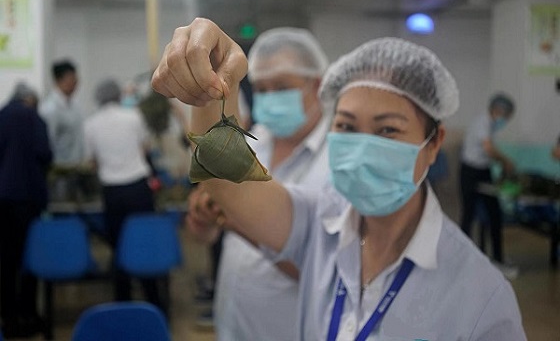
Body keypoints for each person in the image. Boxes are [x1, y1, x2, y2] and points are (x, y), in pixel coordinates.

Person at [152, 18, 526, 340]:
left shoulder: (480, 297)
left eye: (387, 131)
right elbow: (226, 177)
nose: (361, 148)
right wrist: (210, 85)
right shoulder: (320, 226)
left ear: (433, 144)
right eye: (346, 126)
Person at [186, 27, 332, 340]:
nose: (269, 98)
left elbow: (325, 270)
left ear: (317, 85)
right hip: (232, 322)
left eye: (281, 87)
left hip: (286, 328)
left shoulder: (336, 163)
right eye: (262, 89)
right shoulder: (252, 143)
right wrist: (206, 222)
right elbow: (211, 235)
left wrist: (237, 218)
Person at [83, 79, 166, 314]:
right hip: (139, 189)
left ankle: (123, 304)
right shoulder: (134, 117)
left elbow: (92, 162)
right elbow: (146, 148)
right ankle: (154, 304)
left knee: (119, 248)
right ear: (118, 95)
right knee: (144, 244)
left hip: (113, 192)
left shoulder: (90, 124)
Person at [0, 83, 52, 338]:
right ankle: (29, 316)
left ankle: (8, 320)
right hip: (29, 199)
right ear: (30, 99)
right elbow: (45, 153)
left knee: (6, 262)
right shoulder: (35, 117)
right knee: (30, 260)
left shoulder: (1, 116)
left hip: (3, 198)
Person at [460, 93, 518, 278]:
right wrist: (505, 161)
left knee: (494, 214)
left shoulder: (490, 123)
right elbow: (488, 148)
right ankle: (461, 260)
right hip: (471, 172)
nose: (506, 120)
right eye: (506, 115)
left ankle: (498, 258)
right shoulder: (483, 122)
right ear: (499, 110)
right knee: (469, 216)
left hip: (482, 171)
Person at [39, 60, 85, 202]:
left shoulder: (75, 104)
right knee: (61, 208)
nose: (76, 82)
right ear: (60, 80)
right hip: (59, 172)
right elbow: (48, 141)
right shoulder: (50, 109)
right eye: (72, 78)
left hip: (76, 169)